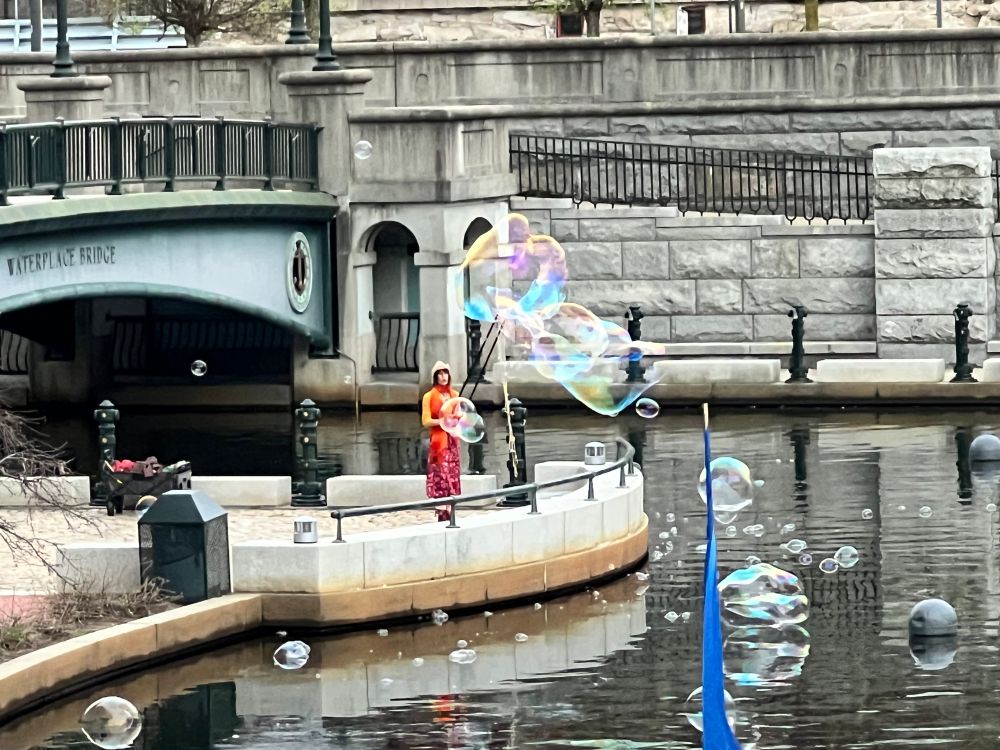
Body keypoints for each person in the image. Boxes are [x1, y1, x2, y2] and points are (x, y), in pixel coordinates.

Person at [422, 361, 461, 521]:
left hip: (452, 441)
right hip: (439, 442)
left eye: (445, 373)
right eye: (440, 374)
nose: (443, 377)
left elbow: (458, 417)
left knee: (452, 474)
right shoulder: (429, 396)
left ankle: (451, 510)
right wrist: (442, 422)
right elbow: (425, 421)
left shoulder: (455, 395)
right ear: (435, 377)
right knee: (440, 475)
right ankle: (442, 512)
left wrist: (457, 419)